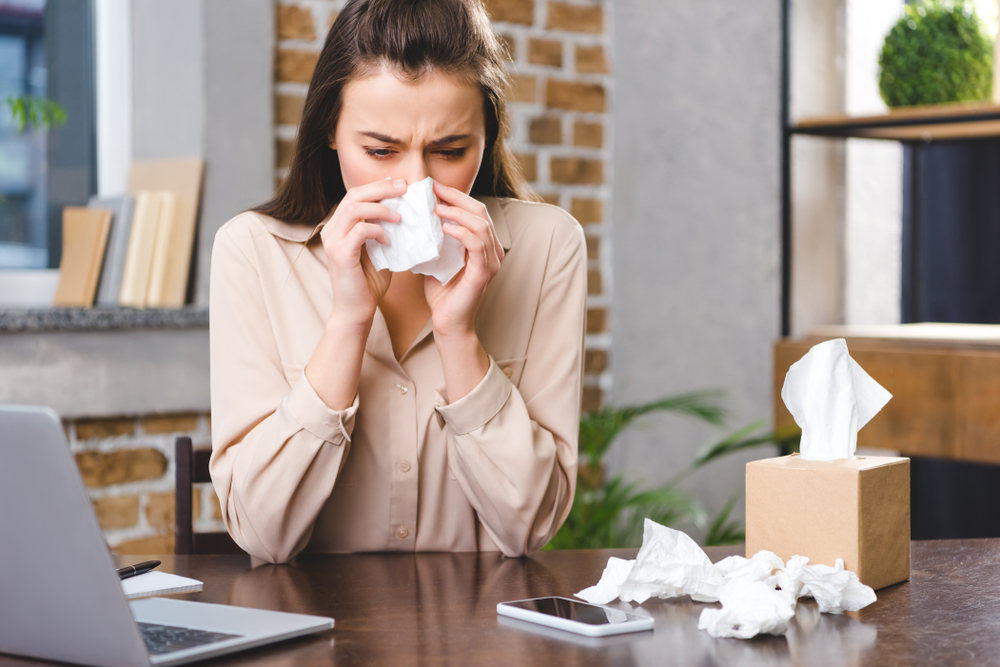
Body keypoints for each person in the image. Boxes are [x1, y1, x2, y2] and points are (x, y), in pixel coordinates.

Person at [209, 0, 587, 564]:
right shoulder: (253, 252)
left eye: (450, 151)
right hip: (315, 634)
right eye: (380, 151)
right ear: (330, 133)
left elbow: (527, 527)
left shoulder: (547, 245)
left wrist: (459, 336)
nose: (416, 185)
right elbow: (264, 537)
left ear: (487, 138)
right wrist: (347, 322)